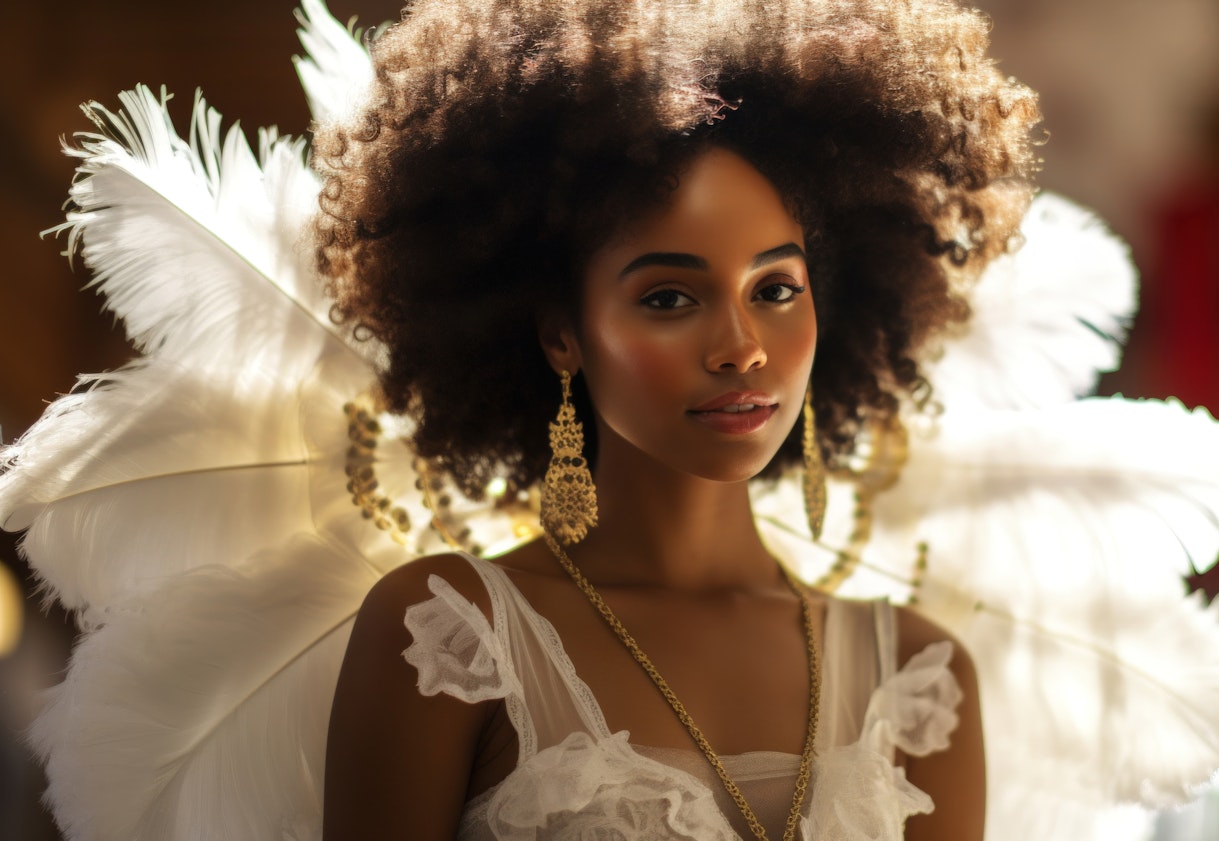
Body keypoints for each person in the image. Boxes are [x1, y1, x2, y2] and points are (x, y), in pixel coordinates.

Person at [312, 0, 1037, 838]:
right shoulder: (449, 637)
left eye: (774, 290)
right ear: (562, 333)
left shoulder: (917, 675)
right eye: (668, 297)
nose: (740, 347)